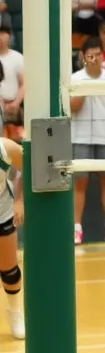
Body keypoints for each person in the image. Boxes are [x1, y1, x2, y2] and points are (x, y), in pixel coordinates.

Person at [69, 37, 105, 244]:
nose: (94, 58)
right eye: (90, 55)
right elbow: (72, 107)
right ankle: (76, 228)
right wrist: (85, 90)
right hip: (80, 137)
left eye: (98, 54)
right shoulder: (75, 79)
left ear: (103, 55)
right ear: (83, 57)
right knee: (80, 182)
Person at [0, 136, 23, 339]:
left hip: (1, 212)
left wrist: (20, 201)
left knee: (9, 271)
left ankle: (15, 311)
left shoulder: (6, 148)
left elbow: (32, 167)